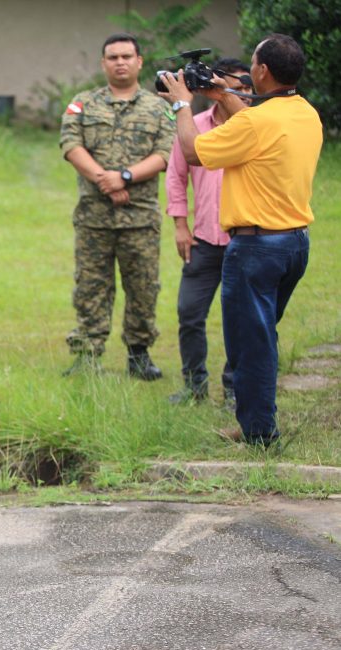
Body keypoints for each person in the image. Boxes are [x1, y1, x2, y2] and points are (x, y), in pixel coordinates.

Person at [159, 33, 323, 446]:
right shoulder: (304, 113)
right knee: (262, 336)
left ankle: (259, 436)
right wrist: (221, 92)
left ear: (262, 71)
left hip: (254, 249)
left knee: (251, 344)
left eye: (252, 62)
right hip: (293, 244)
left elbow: (194, 151)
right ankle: (255, 421)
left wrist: (183, 103)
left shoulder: (255, 122)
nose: (249, 68)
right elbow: (253, 121)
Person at [59, 33, 176, 379]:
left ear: (139, 62)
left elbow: (165, 154)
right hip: (94, 218)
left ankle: (139, 355)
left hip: (139, 218)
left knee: (142, 286)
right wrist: (103, 180)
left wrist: (123, 177)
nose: (120, 62)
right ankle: (88, 355)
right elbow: (70, 143)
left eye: (127, 56)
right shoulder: (82, 103)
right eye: (113, 57)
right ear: (103, 63)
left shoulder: (159, 108)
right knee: (90, 286)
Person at [165, 59, 250, 407]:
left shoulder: (255, 128)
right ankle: (194, 384)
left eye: (246, 86)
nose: (241, 93)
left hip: (244, 240)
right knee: (189, 312)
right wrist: (181, 225)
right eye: (233, 86)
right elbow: (175, 176)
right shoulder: (193, 125)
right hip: (203, 239)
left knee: (242, 318)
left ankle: (235, 388)